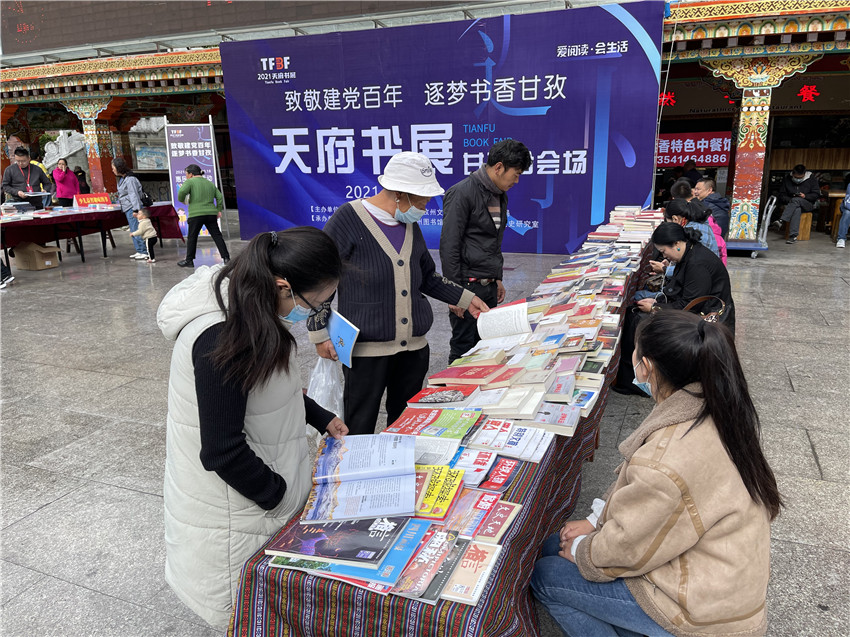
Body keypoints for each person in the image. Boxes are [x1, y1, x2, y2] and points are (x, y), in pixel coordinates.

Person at [532, 310, 782, 637]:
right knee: (556, 544)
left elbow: (627, 547)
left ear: (646, 366)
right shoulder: (714, 406)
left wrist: (582, 550)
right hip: (720, 578)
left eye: (634, 351)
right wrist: (594, 523)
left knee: (546, 576)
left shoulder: (667, 458)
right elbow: (641, 503)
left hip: (701, 610)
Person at [156, 227, 348, 628]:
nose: (313, 312)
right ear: (282, 286)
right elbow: (222, 450)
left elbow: (267, 389)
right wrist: (278, 497)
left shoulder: (250, 305)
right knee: (241, 614)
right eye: (314, 303)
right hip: (234, 515)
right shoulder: (222, 336)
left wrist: (320, 416)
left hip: (256, 498)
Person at [308, 152, 490, 435]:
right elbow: (319, 278)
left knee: (405, 425)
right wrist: (319, 335)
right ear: (399, 194)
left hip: (413, 351)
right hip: (365, 352)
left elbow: (427, 277)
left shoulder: (409, 226)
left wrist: (467, 299)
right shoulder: (347, 219)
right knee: (359, 427)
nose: (426, 206)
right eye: (422, 199)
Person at [614, 222, 734, 393]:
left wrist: (655, 308)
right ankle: (637, 378)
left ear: (676, 244)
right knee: (634, 314)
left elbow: (689, 306)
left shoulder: (697, 263)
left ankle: (641, 381)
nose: (665, 256)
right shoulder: (689, 252)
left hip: (706, 315)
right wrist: (657, 302)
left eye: (664, 251)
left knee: (638, 322)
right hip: (697, 308)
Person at [440, 139, 532, 364]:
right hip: (467, 286)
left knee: (486, 347)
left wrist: (496, 277)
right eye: (516, 174)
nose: (517, 181)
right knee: (463, 348)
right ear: (499, 167)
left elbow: (492, 240)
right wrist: (454, 293)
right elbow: (449, 244)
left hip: (488, 285)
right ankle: (453, 385)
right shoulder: (462, 193)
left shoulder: (500, 194)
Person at [176, 164, 230, 267]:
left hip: (196, 214)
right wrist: (218, 210)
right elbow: (219, 196)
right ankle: (226, 258)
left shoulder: (190, 182)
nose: (186, 176)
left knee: (192, 237)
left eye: (186, 174)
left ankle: (189, 261)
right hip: (211, 213)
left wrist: (182, 200)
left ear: (191, 174)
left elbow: (182, 191)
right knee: (217, 236)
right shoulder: (209, 183)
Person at [771, 164, 819, 244]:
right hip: (792, 204)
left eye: (800, 178)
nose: (798, 179)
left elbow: (816, 194)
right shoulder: (787, 179)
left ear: (804, 174)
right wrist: (791, 199)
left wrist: (805, 196)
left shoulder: (811, 179)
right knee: (797, 209)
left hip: (807, 204)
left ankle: (781, 220)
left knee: (796, 200)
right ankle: (793, 236)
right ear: (793, 174)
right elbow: (781, 195)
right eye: (796, 177)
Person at [112, 158, 149, 260]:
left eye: (113, 167)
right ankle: (139, 250)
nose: (113, 170)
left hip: (132, 207)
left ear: (119, 168)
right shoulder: (123, 179)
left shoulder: (130, 179)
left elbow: (134, 195)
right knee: (133, 229)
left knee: (136, 229)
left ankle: (144, 251)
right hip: (127, 207)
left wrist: (136, 210)